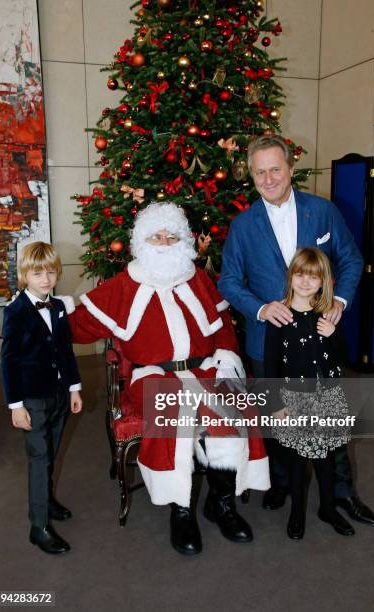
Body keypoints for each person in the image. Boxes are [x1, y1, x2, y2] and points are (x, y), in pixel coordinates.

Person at [66, 202, 270, 555]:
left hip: (205, 368)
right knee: (175, 417)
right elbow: (80, 324)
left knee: (234, 411)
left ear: (183, 241)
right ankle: (182, 511)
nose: (164, 243)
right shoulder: (124, 285)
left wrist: (226, 359)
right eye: (157, 237)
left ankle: (220, 503)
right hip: (153, 376)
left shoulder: (197, 277)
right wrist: (44, 313)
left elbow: (222, 328)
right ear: (143, 241)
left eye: (172, 236)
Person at [218, 134, 374, 526]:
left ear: (291, 169)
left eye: (276, 169)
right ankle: (283, 485)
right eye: (260, 172)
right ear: (252, 177)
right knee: (279, 416)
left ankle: (341, 495)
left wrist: (338, 303)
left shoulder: (322, 212)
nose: (269, 178)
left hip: (321, 336)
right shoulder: (242, 225)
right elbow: (228, 281)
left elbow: (352, 261)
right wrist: (260, 307)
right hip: (270, 338)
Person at [265, 247, 354, 539]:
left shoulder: (325, 314)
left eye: (313, 277)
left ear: (323, 282)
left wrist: (333, 335)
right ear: (291, 277)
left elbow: (342, 356)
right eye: (300, 274)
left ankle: (327, 508)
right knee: (297, 461)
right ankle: (296, 512)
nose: (305, 282)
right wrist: (276, 403)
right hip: (295, 399)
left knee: (326, 457)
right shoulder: (279, 316)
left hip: (327, 398)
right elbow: (271, 364)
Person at [0, 242, 83, 555]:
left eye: (50, 272)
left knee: (51, 450)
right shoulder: (16, 311)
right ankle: (38, 526)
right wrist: (16, 406)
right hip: (32, 399)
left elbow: (66, 352)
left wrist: (74, 389)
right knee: (39, 458)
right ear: (25, 274)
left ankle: (47, 501)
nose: (46, 279)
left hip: (59, 394)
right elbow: (8, 362)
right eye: (38, 273)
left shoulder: (59, 307)